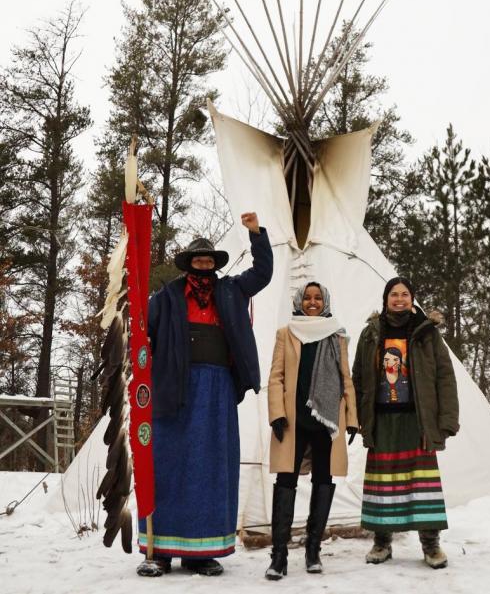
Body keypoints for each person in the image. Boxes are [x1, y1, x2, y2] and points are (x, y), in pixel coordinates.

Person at [137, 212, 273, 577]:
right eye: (198, 260)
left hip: (217, 390)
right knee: (168, 466)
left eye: (209, 260)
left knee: (212, 467)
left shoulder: (231, 290)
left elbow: (263, 274)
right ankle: (159, 550)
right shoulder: (166, 297)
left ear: (215, 265)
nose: (204, 265)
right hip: (172, 389)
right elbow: (140, 330)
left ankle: (202, 552)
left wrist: (257, 234)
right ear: (188, 265)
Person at [352, 277, 459, 569]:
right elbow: (359, 376)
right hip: (382, 420)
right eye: (394, 295)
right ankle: (382, 543)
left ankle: (431, 545)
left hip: (418, 419)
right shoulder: (370, 334)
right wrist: (358, 418)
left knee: (422, 484)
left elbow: (444, 376)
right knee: (381, 484)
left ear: (412, 299)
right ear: (386, 299)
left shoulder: (427, 333)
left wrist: (446, 421)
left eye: (405, 294)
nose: (399, 299)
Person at [265, 282, 358, 580]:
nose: (313, 302)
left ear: (325, 301)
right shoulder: (286, 333)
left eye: (318, 298)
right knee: (286, 480)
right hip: (294, 421)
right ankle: (279, 555)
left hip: (326, 421)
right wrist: (277, 414)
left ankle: (313, 549)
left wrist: (352, 417)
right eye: (308, 297)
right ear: (299, 301)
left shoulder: (336, 335)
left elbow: (346, 379)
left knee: (323, 478)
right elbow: (276, 377)